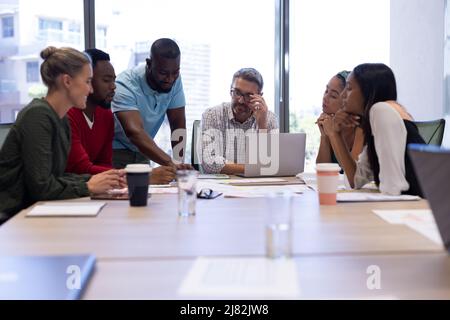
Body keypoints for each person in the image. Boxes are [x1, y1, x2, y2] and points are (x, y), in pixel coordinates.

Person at [0, 46, 126, 223]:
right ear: (67, 81)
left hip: (35, 209)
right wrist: (88, 185)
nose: (90, 90)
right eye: (87, 81)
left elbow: (57, 177)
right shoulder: (37, 116)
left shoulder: (61, 119)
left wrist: (100, 179)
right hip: (12, 214)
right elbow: (41, 187)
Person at [65, 48, 175, 184]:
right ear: (87, 81)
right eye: (106, 80)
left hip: (93, 192)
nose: (113, 87)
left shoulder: (106, 116)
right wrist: (143, 178)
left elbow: (106, 164)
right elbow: (80, 169)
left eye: (114, 80)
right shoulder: (67, 117)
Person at [321, 63, 424, 196]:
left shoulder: (382, 110)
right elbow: (355, 180)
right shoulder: (374, 119)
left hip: (423, 206)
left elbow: (392, 186)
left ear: (368, 91)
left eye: (350, 88)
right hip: (413, 204)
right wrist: (335, 134)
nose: (343, 95)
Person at [111, 38, 190, 170]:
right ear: (149, 63)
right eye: (163, 73)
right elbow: (134, 133)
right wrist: (170, 163)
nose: (170, 79)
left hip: (143, 153)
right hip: (115, 153)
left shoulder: (174, 79)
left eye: (175, 72)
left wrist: (178, 163)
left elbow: (178, 124)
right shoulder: (125, 85)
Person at [201, 68, 278, 174]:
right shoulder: (212, 115)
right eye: (237, 92)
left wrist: (262, 125)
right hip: (222, 187)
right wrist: (254, 169)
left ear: (259, 96)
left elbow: (271, 163)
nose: (241, 100)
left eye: (248, 96)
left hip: (257, 186)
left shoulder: (269, 119)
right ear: (230, 90)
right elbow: (209, 163)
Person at [316, 71, 364, 164]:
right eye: (326, 91)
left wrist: (333, 134)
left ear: (348, 99)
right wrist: (324, 136)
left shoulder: (360, 127)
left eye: (333, 96)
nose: (325, 97)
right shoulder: (331, 124)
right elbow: (322, 170)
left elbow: (354, 175)